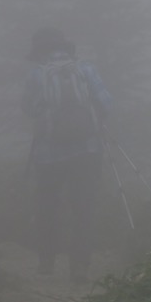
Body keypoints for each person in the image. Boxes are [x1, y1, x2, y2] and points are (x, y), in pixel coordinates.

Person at [21, 27, 112, 283]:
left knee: (47, 206)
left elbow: (29, 108)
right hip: (87, 150)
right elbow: (106, 103)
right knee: (83, 207)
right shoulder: (85, 69)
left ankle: (46, 261)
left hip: (48, 153)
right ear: (64, 47)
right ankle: (79, 266)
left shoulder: (36, 74)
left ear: (39, 50)